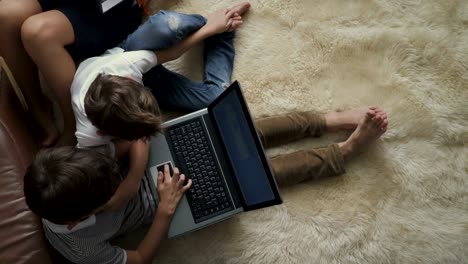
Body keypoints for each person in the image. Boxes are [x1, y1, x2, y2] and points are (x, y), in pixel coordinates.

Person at [23, 106, 388, 264]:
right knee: (262, 176)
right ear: (75, 221)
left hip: (154, 161)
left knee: (245, 131)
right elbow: (139, 258)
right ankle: (345, 151)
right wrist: (165, 210)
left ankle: (329, 119)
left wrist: (131, 180)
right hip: (173, 199)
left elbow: (139, 139)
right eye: (105, 199)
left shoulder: (81, 161)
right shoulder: (79, 248)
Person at [71, 2, 251, 211]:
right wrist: (129, 185)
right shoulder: (87, 137)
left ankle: (219, 21)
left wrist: (211, 26)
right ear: (102, 132)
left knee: (167, 26)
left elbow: (172, 53)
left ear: (131, 80)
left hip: (127, 52)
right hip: (139, 86)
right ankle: (224, 36)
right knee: (220, 100)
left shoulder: (126, 66)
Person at [0, 0, 144, 147]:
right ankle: (37, 105)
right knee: (6, 15)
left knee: (38, 33)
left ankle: (73, 123)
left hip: (111, 8)